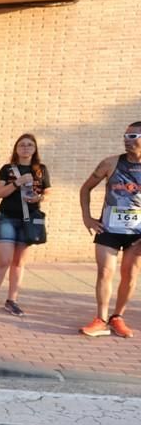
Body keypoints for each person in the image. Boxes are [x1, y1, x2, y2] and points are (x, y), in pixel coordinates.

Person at [78, 122, 141, 338]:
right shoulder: (111, 163)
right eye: (125, 135)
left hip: (137, 232)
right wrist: (87, 217)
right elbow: (85, 188)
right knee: (105, 272)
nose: (127, 139)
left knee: (130, 274)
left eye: (133, 135)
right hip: (109, 228)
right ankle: (101, 319)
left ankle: (118, 317)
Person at [0, 134, 51, 317]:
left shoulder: (40, 170)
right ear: (16, 148)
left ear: (34, 149)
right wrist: (17, 183)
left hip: (29, 219)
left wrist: (39, 197)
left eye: (29, 145)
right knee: (4, 260)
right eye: (22, 145)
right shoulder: (7, 169)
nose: (26, 148)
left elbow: (48, 191)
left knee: (19, 262)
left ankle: (12, 300)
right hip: (7, 217)